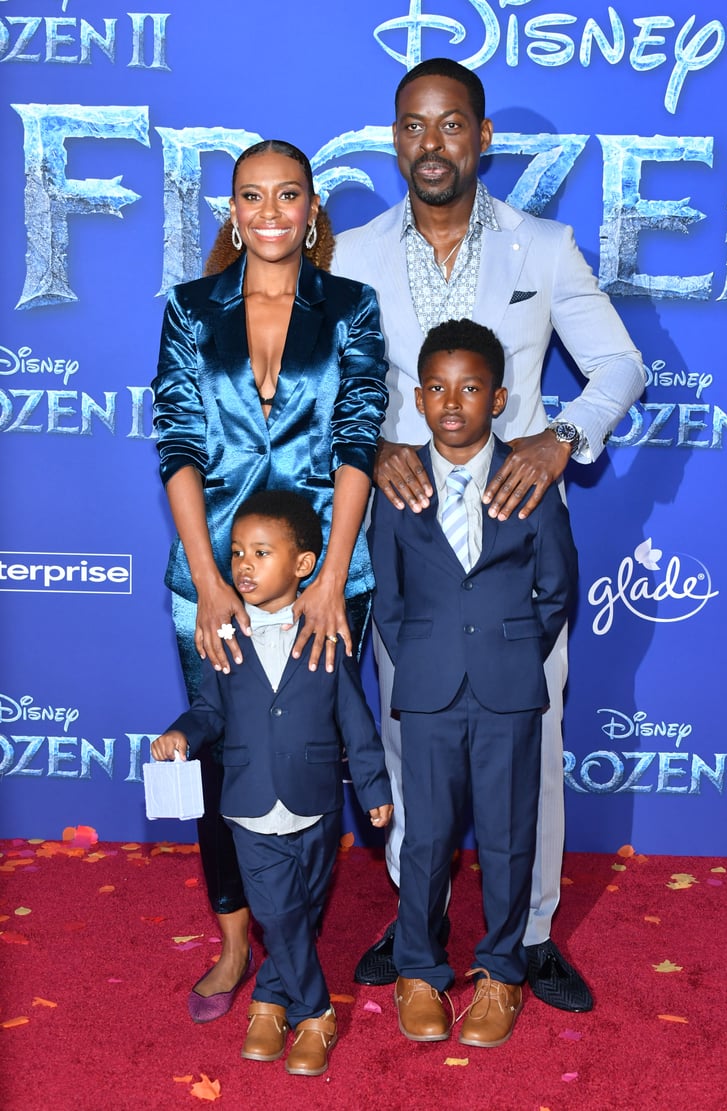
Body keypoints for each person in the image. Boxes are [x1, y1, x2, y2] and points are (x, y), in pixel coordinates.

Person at [332, 58, 645, 1011]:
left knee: (532, 743)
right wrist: (372, 444)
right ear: (396, 141)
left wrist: (560, 440)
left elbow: (621, 370)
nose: (433, 144)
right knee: (403, 737)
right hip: (410, 540)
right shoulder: (348, 256)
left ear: (482, 138)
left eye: (452, 125)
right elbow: (330, 392)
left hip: (513, 537)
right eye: (414, 127)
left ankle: (535, 932)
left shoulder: (543, 248)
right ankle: (414, 916)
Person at [152, 139, 388, 1023]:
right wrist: (211, 583)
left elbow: (356, 442)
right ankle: (234, 939)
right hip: (209, 575)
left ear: (312, 207)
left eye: (289, 195)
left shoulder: (351, 309)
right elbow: (177, 444)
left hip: (327, 576)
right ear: (234, 211)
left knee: (308, 745)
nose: (271, 212)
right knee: (226, 753)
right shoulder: (188, 310)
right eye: (252, 196)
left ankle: (298, 931)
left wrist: (330, 577)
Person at [369, 319, 577, 1046]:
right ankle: (419, 969)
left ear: (500, 397)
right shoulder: (396, 489)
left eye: (470, 387)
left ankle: (501, 972)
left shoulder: (531, 482)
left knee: (510, 834)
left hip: (509, 689)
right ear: (418, 398)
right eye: (437, 387)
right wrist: (426, 658)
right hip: (426, 693)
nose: (452, 401)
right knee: (425, 837)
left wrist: (514, 655)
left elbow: (556, 589)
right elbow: (387, 605)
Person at [152, 491, 393, 1075]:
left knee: (304, 908)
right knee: (278, 912)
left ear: (304, 565)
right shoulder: (223, 636)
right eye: (237, 553)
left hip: (315, 803)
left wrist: (374, 789)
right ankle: (314, 1012)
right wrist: (182, 733)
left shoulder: (328, 636)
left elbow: (354, 721)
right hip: (249, 804)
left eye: (261, 553)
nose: (243, 565)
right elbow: (209, 711)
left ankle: (271, 995)